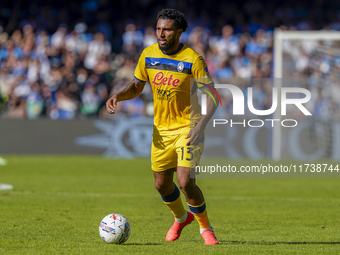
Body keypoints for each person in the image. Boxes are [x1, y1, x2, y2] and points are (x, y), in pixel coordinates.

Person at [106, 9, 219, 245]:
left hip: (188, 128)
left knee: (186, 181)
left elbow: (213, 96)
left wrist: (201, 125)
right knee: (161, 184)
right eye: (158, 29)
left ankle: (205, 228)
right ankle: (181, 217)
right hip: (161, 131)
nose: (161, 33)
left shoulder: (193, 59)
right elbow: (137, 86)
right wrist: (119, 95)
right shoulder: (148, 54)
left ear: (179, 32)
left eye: (166, 29)